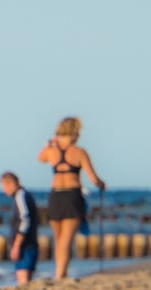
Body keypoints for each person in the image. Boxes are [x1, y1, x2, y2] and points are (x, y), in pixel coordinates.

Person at [38, 117, 106, 279]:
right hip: (72, 196)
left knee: (58, 239)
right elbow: (93, 178)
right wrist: (102, 184)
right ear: (74, 132)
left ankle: (58, 272)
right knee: (66, 240)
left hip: (55, 196)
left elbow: (40, 158)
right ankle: (61, 273)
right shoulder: (80, 152)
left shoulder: (51, 151)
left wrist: (50, 142)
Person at [0, 172, 39, 286]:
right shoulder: (25, 195)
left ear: (11, 183)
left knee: (23, 279)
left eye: (4, 186)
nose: (4, 190)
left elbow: (24, 220)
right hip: (28, 243)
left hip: (25, 245)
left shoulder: (20, 196)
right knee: (26, 279)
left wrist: (17, 245)